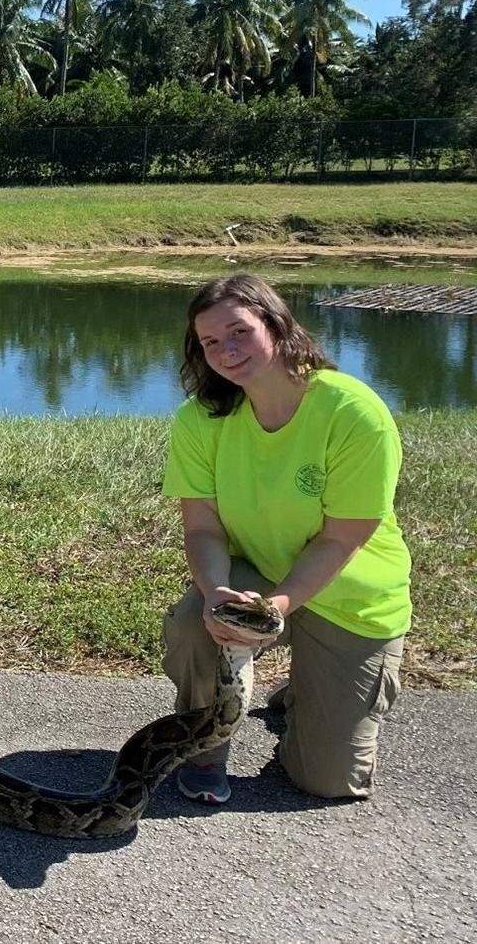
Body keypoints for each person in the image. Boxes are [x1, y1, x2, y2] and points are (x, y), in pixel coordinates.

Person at [160, 273, 408, 805]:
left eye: (239, 332)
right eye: (210, 342)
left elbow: (342, 539)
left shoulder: (352, 412)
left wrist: (275, 608)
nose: (226, 350)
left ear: (276, 324)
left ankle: (303, 692)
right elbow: (202, 527)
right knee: (193, 624)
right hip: (257, 574)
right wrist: (214, 594)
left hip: (350, 596)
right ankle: (203, 751)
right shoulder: (201, 419)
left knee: (326, 782)